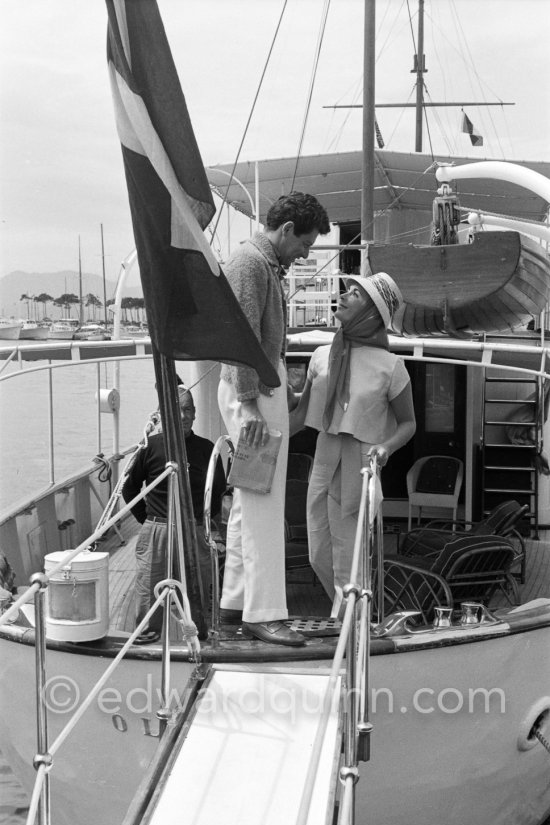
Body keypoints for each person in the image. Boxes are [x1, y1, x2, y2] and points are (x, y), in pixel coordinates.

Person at [218, 191, 331, 646]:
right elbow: (239, 338)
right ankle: (263, 614)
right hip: (255, 398)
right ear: (287, 230)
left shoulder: (263, 263)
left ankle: (234, 603)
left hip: (263, 394)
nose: (305, 254)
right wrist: (248, 407)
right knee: (264, 505)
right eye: (305, 244)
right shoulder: (250, 264)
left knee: (248, 502)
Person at [290, 272, 416, 616]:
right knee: (318, 553)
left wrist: (386, 447)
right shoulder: (320, 356)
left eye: (356, 294)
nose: (344, 295)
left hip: (361, 464)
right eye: (347, 290)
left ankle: (348, 626)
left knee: (351, 557)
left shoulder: (391, 367)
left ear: (373, 313)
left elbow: (408, 424)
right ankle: (347, 613)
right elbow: (301, 415)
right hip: (324, 457)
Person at [122, 385, 226, 643]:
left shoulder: (207, 448)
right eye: (177, 410)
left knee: (200, 590)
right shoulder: (150, 447)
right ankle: (147, 638)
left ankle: (200, 638)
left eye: (188, 409)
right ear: (165, 413)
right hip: (158, 528)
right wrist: (148, 520)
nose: (183, 415)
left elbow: (217, 491)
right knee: (149, 589)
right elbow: (129, 488)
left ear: (194, 414)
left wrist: (201, 523)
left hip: (195, 529)